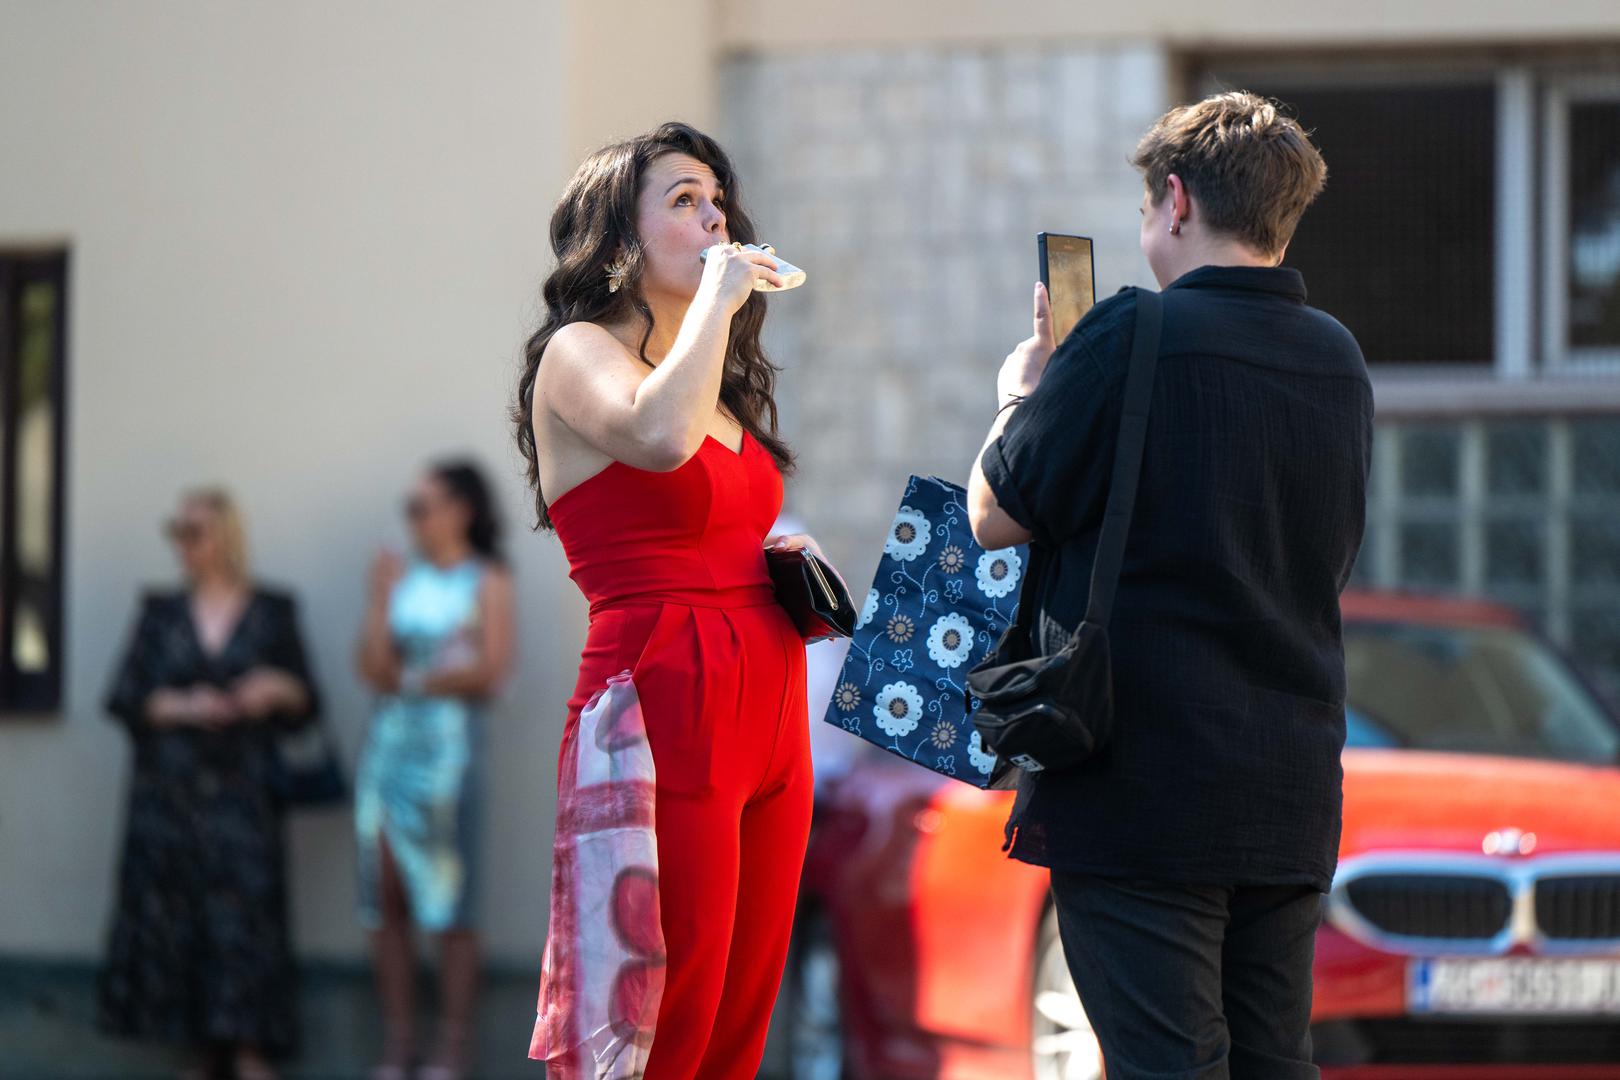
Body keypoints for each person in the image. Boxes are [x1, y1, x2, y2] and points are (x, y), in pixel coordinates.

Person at [968, 91, 1372, 1079]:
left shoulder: (1122, 336)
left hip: (1140, 785)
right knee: (1273, 1061)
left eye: (1150, 206)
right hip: (1288, 791)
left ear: (1176, 200)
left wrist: (1023, 392)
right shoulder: (1339, 359)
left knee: (1167, 1063)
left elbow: (993, 513)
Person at [514, 121, 822, 1079]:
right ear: (620, 235)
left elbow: (712, 504)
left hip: (769, 697)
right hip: (663, 692)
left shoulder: (713, 386)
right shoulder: (579, 352)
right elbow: (654, 442)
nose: (712, 217)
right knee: (665, 1005)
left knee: (742, 1007)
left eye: (716, 200)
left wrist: (782, 558)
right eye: (683, 200)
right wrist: (722, 301)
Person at [99, 488, 321, 1080]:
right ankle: (198, 1048)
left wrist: (273, 688)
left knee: (248, 913)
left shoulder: (273, 609)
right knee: (179, 916)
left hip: (245, 793)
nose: (184, 544)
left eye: (195, 531)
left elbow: (308, 702)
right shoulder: (160, 610)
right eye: (177, 531)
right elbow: (124, 697)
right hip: (169, 797)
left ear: (226, 537)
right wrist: (181, 704)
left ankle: (250, 1048)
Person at [353, 460, 515, 1080]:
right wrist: (377, 599)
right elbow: (371, 667)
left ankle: (454, 1049)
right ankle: (398, 1046)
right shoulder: (401, 578)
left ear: (460, 510)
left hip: (449, 756)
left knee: (449, 901)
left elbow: (492, 669)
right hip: (386, 750)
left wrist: (416, 677)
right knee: (383, 896)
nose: (412, 520)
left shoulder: (486, 579)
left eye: (422, 506)